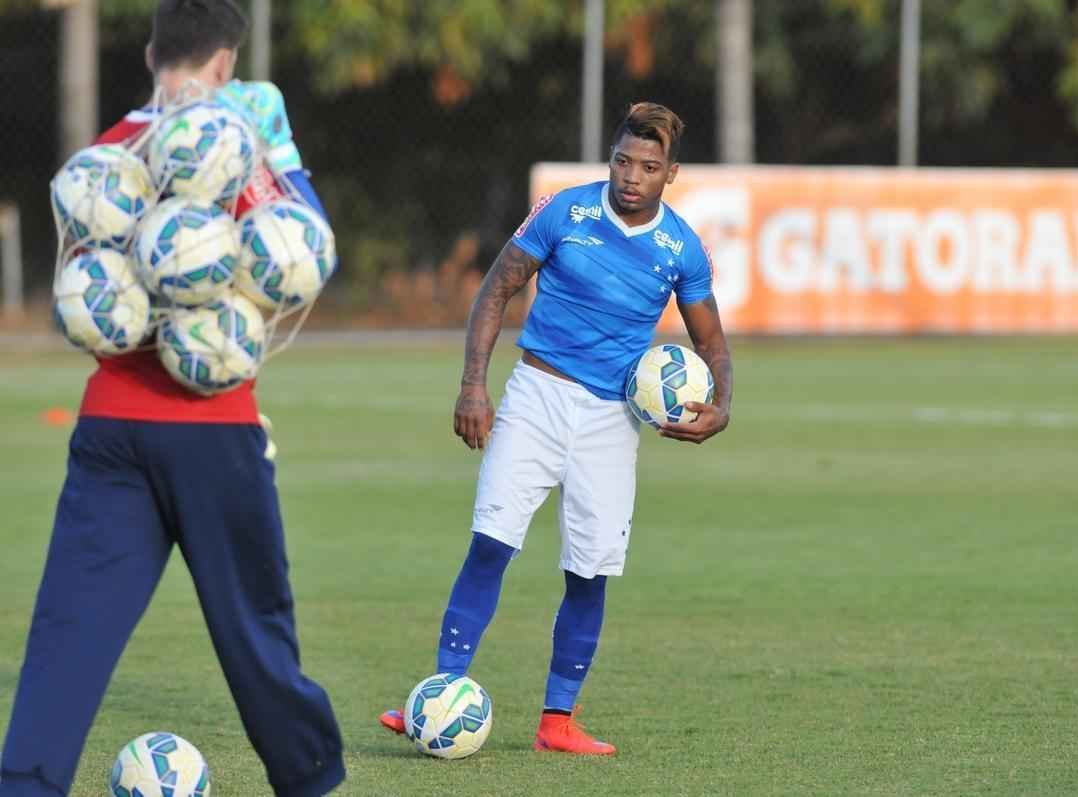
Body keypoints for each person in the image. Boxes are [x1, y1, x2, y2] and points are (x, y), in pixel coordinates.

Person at [0, 2, 344, 795]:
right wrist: (284, 153)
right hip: (212, 425)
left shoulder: (109, 153)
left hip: (111, 421)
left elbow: (87, 298)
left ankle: (26, 783)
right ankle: (311, 777)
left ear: (152, 52)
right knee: (255, 629)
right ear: (225, 63)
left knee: (69, 629)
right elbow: (305, 251)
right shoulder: (240, 143)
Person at [379, 102, 734, 755]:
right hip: (536, 398)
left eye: (648, 167)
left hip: (612, 420)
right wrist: (472, 384)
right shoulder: (565, 212)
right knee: (491, 544)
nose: (632, 176)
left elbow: (711, 342)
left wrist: (724, 404)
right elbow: (496, 289)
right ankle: (440, 693)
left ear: (671, 173)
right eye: (623, 160)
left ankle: (558, 722)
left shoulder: (680, 247)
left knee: (590, 571)